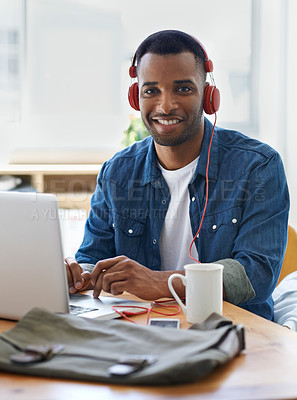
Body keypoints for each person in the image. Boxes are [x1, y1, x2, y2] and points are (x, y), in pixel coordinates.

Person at [65, 30, 289, 321]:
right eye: (151, 91)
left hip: (231, 331)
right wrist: (78, 274)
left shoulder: (258, 167)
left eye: (182, 89)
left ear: (209, 96)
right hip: (136, 330)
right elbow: (93, 257)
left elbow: (257, 273)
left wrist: (161, 282)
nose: (165, 105)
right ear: (136, 97)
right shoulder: (116, 172)